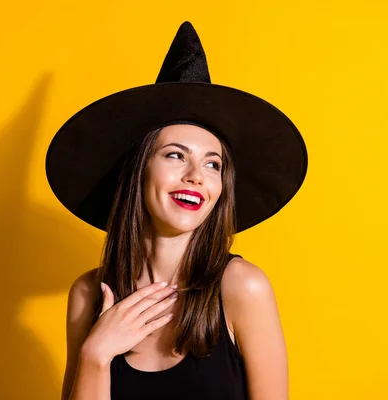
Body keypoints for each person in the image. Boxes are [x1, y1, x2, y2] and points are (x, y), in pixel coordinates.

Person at [45, 21, 308, 400]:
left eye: (212, 164)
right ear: (139, 171)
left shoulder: (243, 288)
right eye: (175, 155)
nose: (196, 176)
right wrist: (96, 354)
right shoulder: (89, 293)